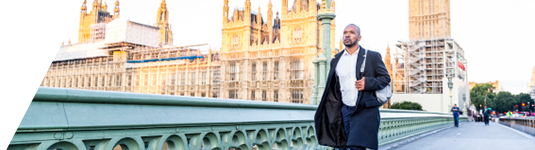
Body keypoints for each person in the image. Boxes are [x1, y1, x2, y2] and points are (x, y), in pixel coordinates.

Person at [314, 24, 391, 150]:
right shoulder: (337, 60)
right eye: (345, 32)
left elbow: (386, 79)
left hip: (363, 110)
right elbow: (334, 87)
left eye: (352, 32)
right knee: (341, 146)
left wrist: (368, 83)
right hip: (344, 110)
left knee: (357, 147)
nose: (347, 35)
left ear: (359, 37)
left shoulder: (372, 56)